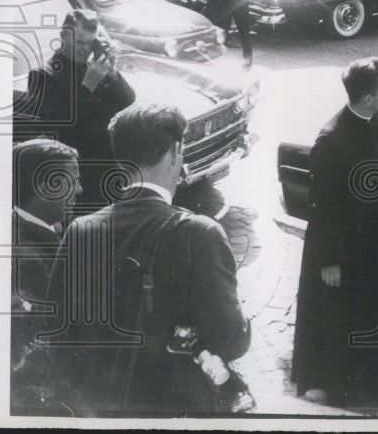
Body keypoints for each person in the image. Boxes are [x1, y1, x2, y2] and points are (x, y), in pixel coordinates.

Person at [46, 104, 251, 415]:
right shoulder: (200, 232)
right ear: (175, 152)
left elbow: (58, 331)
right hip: (175, 407)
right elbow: (231, 339)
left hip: (101, 403)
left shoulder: (81, 229)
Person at [292, 58, 378, 404]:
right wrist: (329, 260)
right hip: (342, 247)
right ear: (366, 99)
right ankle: (332, 384)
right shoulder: (330, 141)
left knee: (374, 309)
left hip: (375, 237)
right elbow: (322, 207)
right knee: (339, 317)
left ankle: (374, 378)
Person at [26, 9, 136, 205]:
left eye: (90, 43)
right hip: (78, 176)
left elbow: (127, 102)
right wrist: (87, 86)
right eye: (79, 42)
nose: (85, 49)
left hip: (111, 169)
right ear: (63, 37)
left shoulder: (94, 67)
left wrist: (112, 73)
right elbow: (59, 127)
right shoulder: (43, 74)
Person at [11, 140, 81, 368]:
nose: (79, 190)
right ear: (44, 187)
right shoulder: (29, 261)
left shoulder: (18, 230)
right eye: (72, 181)